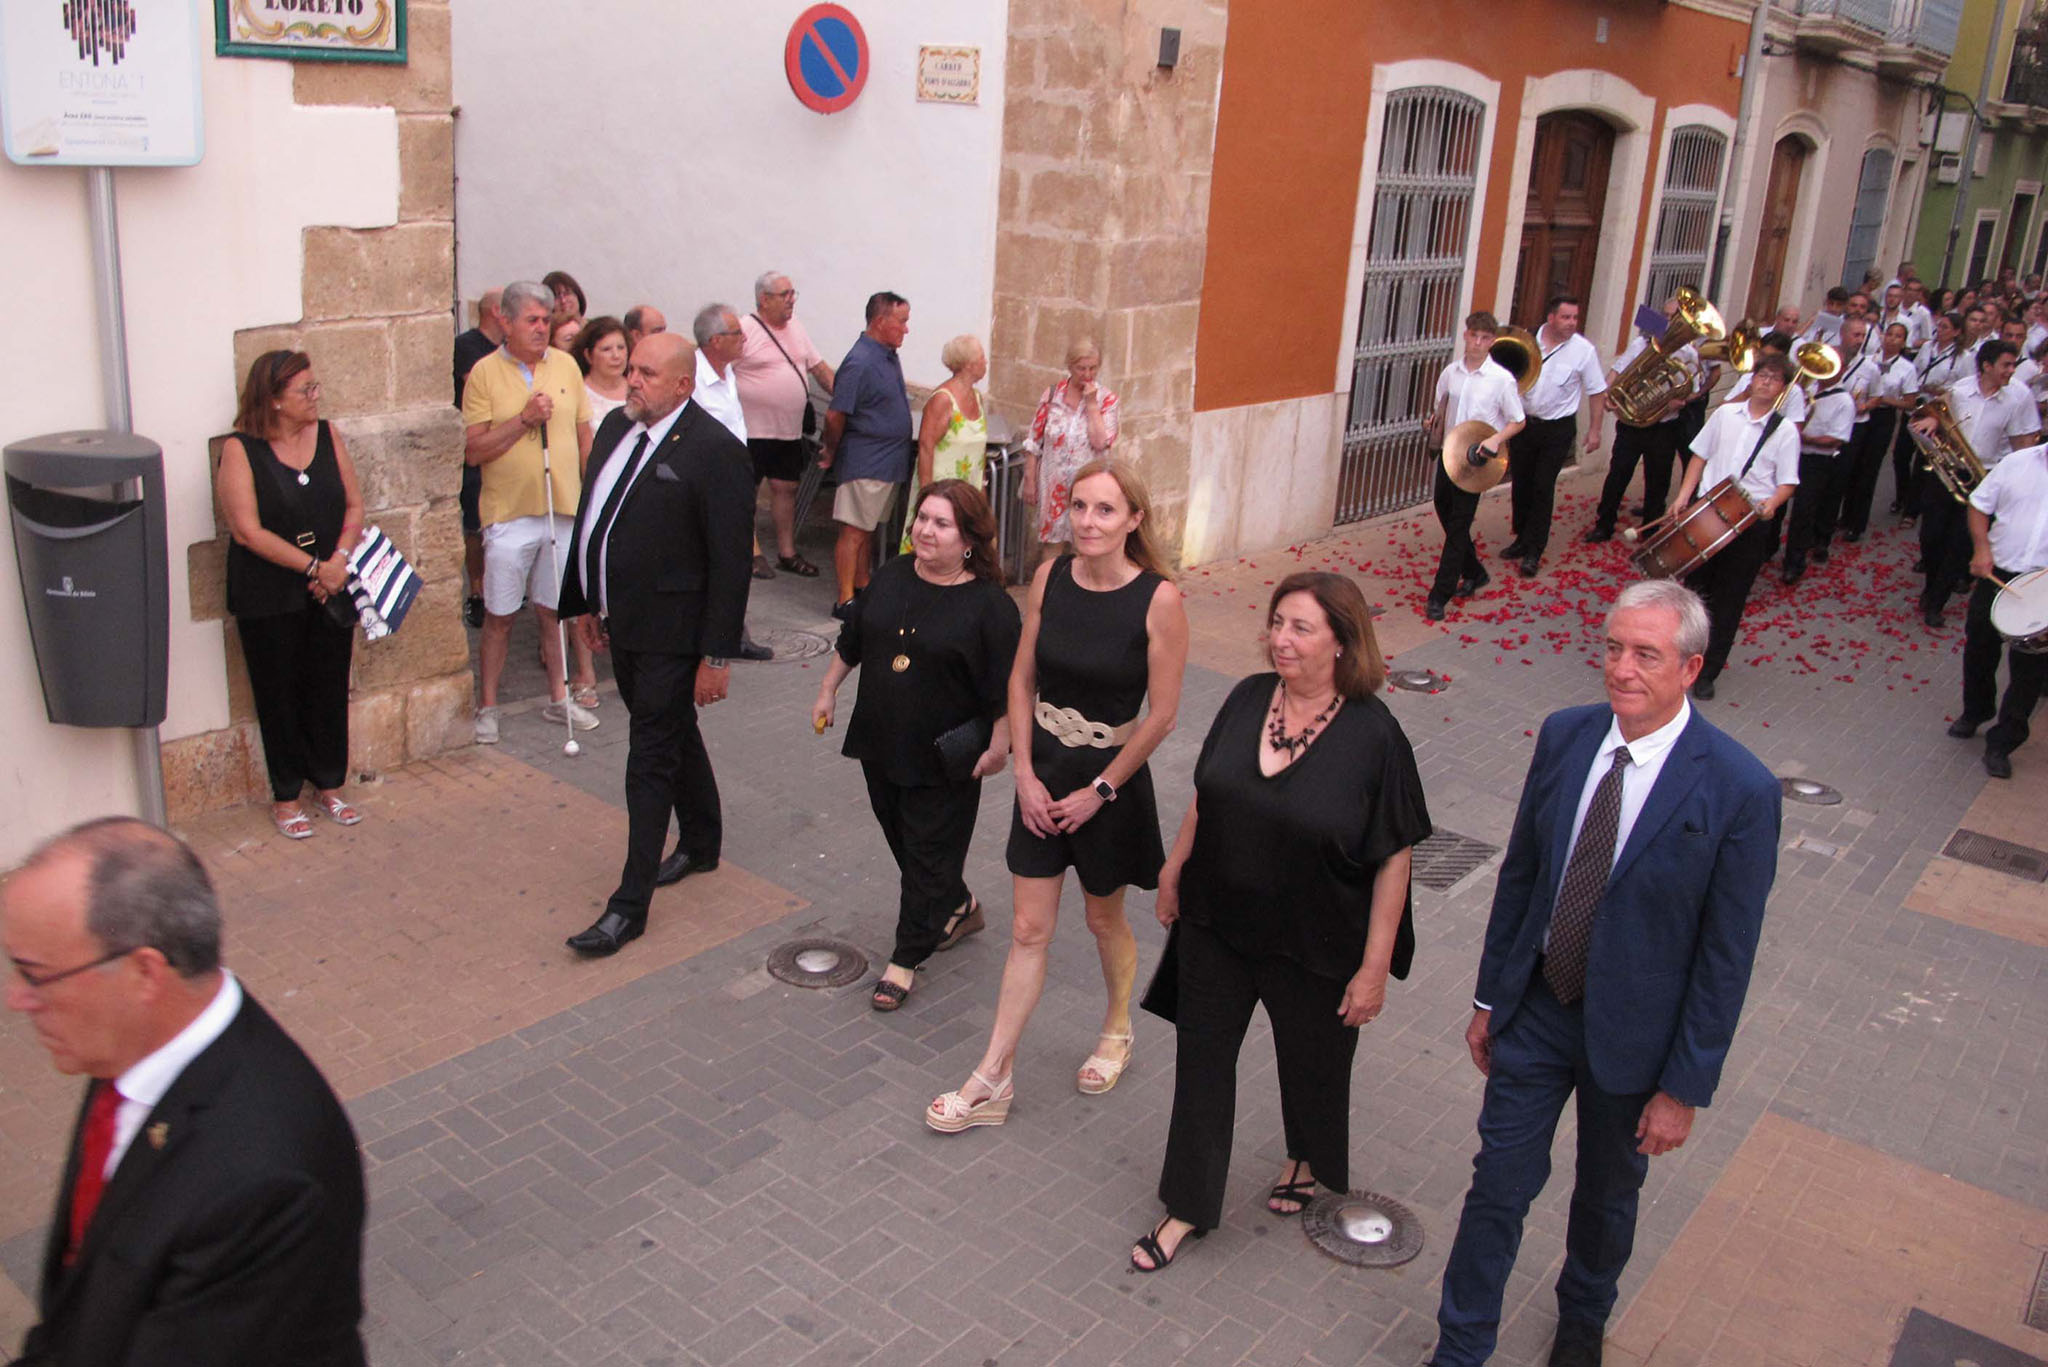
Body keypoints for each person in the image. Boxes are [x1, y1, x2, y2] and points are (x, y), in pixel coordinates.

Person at [1424, 580, 1781, 1367]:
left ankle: (1581, 1324)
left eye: (1645, 654)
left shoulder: (1739, 788)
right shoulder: (1565, 736)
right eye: (1614, 647)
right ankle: (1460, 1344)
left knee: (1606, 1197)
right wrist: (1489, 998)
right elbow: (1521, 874)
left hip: (1637, 1042)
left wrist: (1684, 1086)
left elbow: (1729, 954)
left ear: (1690, 668)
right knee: (1498, 1185)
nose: (1621, 668)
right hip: (1540, 1007)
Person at [1130, 572, 1429, 1274]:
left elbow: (1394, 856)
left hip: (1318, 937)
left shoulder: (1374, 735)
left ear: (1342, 642)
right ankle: (1187, 1205)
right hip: (1218, 921)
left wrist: (1374, 965)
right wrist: (1175, 867)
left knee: (1314, 1061)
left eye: (1300, 627)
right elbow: (1209, 794)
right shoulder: (1244, 698)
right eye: (1276, 623)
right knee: (1203, 1062)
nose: (1280, 639)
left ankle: (1306, 1156)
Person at [4, 817, 367, 1366]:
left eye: (34, 975)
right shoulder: (130, 1043)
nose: (17, 1000)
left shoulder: (263, 1186)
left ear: (144, 974)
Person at [927, 460, 1188, 1132]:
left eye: (1105, 509)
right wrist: (1024, 774)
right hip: (1042, 768)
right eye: (1079, 506)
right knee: (1027, 928)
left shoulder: (1159, 598)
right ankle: (994, 1075)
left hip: (1111, 778)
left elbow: (1162, 714)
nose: (1088, 521)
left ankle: (1117, 1027)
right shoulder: (1050, 577)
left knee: (1104, 920)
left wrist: (1101, 789)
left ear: (1134, 518)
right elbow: (1021, 679)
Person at [557, 332, 754, 956]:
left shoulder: (716, 452)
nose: (631, 379)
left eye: (644, 372)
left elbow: (730, 565)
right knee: (667, 729)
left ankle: (628, 904)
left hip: (676, 634)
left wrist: (716, 655)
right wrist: (584, 600)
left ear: (682, 386)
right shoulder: (618, 427)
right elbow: (594, 518)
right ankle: (703, 840)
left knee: (649, 758)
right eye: (630, 369)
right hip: (622, 624)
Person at [812, 480, 1021, 1010]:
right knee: (902, 838)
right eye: (922, 518)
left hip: (946, 754)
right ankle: (957, 905)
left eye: (941, 523)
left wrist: (999, 748)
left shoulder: (990, 606)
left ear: (969, 539)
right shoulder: (892, 574)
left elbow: (1008, 689)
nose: (925, 530)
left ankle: (906, 957)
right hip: (881, 739)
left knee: (928, 849)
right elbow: (854, 638)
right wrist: (827, 689)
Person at [215, 351, 365, 841]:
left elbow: (353, 503)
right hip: (269, 592)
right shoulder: (241, 449)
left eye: (314, 386)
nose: (315, 396)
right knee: (277, 693)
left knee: (327, 687)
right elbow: (246, 531)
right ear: (274, 400)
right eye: (305, 390)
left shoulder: (327, 435)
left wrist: (338, 561)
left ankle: (329, 785)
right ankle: (285, 797)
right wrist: (313, 567)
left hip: (330, 585)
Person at [462, 280, 598, 743]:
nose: (542, 329)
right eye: (532, 321)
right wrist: (523, 420)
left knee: (553, 611)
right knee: (501, 615)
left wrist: (592, 497)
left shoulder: (565, 366)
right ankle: (488, 708)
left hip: (561, 507)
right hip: (509, 512)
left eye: (546, 320)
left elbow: (583, 437)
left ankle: (560, 699)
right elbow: (474, 451)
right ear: (506, 321)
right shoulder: (483, 373)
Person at [1670, 355, 1802, 700]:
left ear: (1782, 390)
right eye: (1762, 375)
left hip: (1748, 522)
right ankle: (1680, 659)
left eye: (1774, 379)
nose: (1766, 382)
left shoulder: (1785, 431)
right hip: (1708, 512)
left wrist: (1770, 506)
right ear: (1752, 379)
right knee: (1694, 592)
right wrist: (1683, 498)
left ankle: (1708, 671)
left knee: (1730, 598)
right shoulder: (1726, 415)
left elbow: (1787, 482)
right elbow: (1699, 456)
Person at [1916, 339, 2039, 627]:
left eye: (2013, 364)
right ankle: (1932, 584)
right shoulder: (1960, 390)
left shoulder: (2018, 397)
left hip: (1984, 476)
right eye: (2006, 365)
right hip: (1948, 470)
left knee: (1959, 543)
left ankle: (1936, 600)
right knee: (1931, 536)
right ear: (1987, 366)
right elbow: (1934, 415)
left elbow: (2022, 442)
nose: (2012, 370)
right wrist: (1933, 421)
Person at [1951, 439, 2048, 779]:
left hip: (2043, 585)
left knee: (2029, 670)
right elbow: (1979, 505)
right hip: (1999, 572)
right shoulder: (2017, 463)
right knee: (1979, 646)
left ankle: (2003, 742)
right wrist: (1981, 549)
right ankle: (1975, 711)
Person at [820, 292, 915, 620]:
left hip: (888, 460)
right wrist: (831, 451)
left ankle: (862, 584)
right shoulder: (860, 361)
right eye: (901, 322)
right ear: (880, 322)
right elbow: (835, 415)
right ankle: (844, 598)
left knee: (868, 527)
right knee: (854, 529)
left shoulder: (887, 354)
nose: (906, 329)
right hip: (867, 459)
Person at [735, 271, 836, 579]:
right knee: (746, 492)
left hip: (788, 430)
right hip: (751, 430)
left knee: (785, 488)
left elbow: (819, 369)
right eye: (785, 294)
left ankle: (787, 552)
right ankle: (749, 552)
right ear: (764, 299)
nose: (792, 300)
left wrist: (847, 400)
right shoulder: (743, 329)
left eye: (793, 293)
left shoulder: (797, 329)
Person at [1426, 312, 1524, 620]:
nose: (1477, 343)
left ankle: (1439, 595)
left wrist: (1495, 441)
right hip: (1448, 453)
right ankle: (1475, 571)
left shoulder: (1501, 380)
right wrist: (1431, 423)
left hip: (1478, 460)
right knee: (1443, 506)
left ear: (1492, 342)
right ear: (1465, 335)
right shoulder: (1451, 373)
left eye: (1484, 339)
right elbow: (1439, 406)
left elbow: (1518, 420)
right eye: (1473, 336)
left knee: (1458, 526)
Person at [1503, 296, 1606, 579]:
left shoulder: (1583, 351)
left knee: (1542, 486)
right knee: (1521, 483)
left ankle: (1535, 550)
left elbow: (1597, 391)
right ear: (1551, 318)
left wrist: (1595, 429)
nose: (1572, 323)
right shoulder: (1524, 340)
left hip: (1557, 429)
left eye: (1575, 318)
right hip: (1524, 425)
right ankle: (1522, 538)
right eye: (1566, 317)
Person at [1585, 299, 1692, 546]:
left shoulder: (1687, 353)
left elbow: (1691, 388)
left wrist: (1676, 400)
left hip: (1664, 426)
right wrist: (1609, 395)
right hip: (1632, 425)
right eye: (1665, 316)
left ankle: (1650, 532)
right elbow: (1616, 373)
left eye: (1674, 318)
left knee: (1658, 479)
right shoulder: (1641, 344)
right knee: (1618, 474)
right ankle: (1604, 524)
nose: (1667, 322)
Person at [1020, 338, 1121, 557]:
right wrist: (1030, 479)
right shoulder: (1052, 394)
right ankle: (1050, 588)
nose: (1087, 374)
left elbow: (1101, 442)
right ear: (1070, 366)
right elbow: (1034, 439)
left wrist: (1092, 404)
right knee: (1052, 545)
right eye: (1081, 368)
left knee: (1086, 543)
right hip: (1053, 483)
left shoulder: (1107, 400)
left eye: (1093, 368)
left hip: (1088, 485)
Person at [899, 335, 991, 555]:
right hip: (941, 492)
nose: (985, 363)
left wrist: (982, 491)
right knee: (933, 550)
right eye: (981, 358)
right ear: (969, 364)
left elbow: (978, 453)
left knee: (963, 551)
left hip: (968, 492)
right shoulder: (943, 399)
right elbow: (926, 447)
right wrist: (927, 496)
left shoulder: (977, 398)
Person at [1780, 336, 1857, 584]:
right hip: (1793, 454)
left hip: (1817, 462)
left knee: (1804, 511)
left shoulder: (1844, 400)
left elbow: (1836, 439)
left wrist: (1801, 436)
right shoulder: (1808, 389)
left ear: (1842, 369)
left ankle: (1795, 563)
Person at [455, 287, 504, 628]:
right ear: (497, 312)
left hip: (506, 446)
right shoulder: (467, 346)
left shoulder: (507, 352)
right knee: (474, 525)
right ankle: (477, 591)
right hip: (477, 445)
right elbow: (480, 386)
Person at [1853, 322, 1920, 536]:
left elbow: (1910, 402)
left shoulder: (1907, 368)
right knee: (1852, 463)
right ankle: (1844, 516)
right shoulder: (1868, 359)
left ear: (1903, 342)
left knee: (1869, 469)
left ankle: (1857, 523)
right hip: (1860, 412)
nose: (1892, 339)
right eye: (1889, 334)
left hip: (1883, 415)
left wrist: (1885, 400)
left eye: (1898, 336)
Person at [571, 314, 631, 429]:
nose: (616, 356)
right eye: (606, 349)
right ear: (588, 355)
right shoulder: (577, 392)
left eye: (621, 347)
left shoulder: (637, 388)